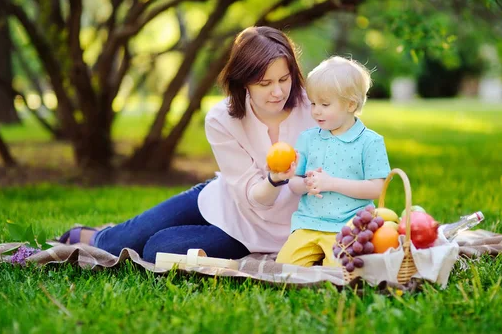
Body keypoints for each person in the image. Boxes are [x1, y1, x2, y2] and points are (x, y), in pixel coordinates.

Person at [58, 26, 316, 263]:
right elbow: (251, 196)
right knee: (117, 243)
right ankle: (100, 236)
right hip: (228, 199)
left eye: (284, 79)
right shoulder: (222, 118)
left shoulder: (315, 110)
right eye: (265, 83)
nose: (278, 92)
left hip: (260, 234)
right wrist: (273, 180)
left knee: (156, 249)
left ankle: (130, 235)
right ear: (243, 82)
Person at [275, 56, 391, 267]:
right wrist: (306, 184)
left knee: (339, 272)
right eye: (313, 103)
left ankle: (329, 260)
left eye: (325, 104)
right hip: (308, 223)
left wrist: (331, 183)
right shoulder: (308, 138)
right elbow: (293, 183)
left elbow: (377, 188)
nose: (316, 110)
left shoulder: (370, 141)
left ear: (350, 104)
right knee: (283, 267)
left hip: (347, 227)